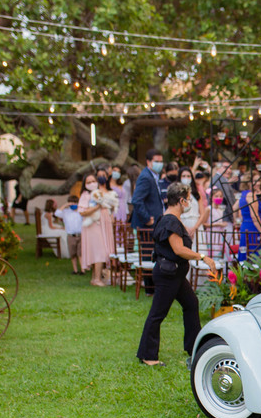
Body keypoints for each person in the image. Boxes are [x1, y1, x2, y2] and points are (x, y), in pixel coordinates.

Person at [136, 182, 216, 367]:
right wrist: (203, 257)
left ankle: (194, 347)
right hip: (168, 274)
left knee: (191, 303)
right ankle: (148, 356)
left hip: (175, 274)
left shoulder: (171, 219)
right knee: (158, 313)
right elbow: (178, 249)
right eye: (188, 199)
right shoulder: (170, 220)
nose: (189, 202)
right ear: (181, 200)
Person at [79, 173, 117, 287]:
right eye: (88, 182)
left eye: (93, 181)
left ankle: (95, 277)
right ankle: (96, 279)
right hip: (93, 226)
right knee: (99, 251)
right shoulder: (85, 196)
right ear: (85, 184)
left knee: (102, 251)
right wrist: (97, 207)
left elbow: (111, 205)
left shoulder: (101, 193)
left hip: (103, 225)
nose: (91, 184)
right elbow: (82, 211)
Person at [131, 149, 165, 230]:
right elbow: (136, 200)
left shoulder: (155, 176)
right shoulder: (145, 177)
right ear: (148, 162)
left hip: (156, 223)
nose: (159, 164)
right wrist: (147, 219)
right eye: (157, 161)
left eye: (161, 162)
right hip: (147, 226)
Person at [51, 194, 84, 274]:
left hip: (80, 235)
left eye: (75, 203)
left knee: (80, 253)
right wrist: (65, 205)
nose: (73, 205)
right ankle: (75, 270)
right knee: (73, 253)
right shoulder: (66, 212)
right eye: (71, 203)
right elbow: (56, 213)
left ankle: (83, 270)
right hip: (71, 236)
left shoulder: (81, 212)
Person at [235, 174, 261, 254]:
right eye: (255, 181)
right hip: (253, 228)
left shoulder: (243, 194)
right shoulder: (251, 195)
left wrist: (237, 221)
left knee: (246, 252)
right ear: (248, 182)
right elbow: (254, 216)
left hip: (245, 226)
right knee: (254, 255)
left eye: (259, 180)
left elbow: (234, 208)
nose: (258, 183)